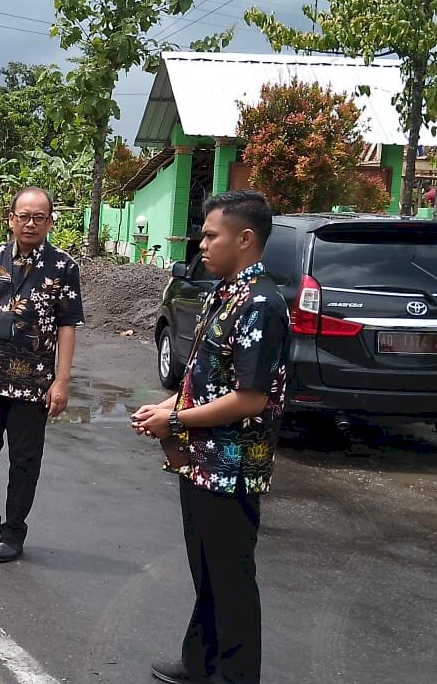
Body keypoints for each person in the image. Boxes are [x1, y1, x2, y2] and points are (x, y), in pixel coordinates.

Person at [130, 190, 290, 684]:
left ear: (245, 239)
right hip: (202, 461)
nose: (201, 244)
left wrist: (176, 422)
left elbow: (249, 398)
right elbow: (207, 377)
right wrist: (169, 405)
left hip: (232, 467)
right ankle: (200, 660)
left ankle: (237, 674)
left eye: (210, 235)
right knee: (206, 569)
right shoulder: (224, 293)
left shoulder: (261, 304)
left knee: (231, 576)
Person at [0, 187, 82, 563]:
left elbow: (68, 325)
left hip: (34, 384)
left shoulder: (64, 267)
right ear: (11, 219)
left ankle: (13, 532)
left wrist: (62, 380)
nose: (30, 223)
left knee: (24, 460)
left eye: (39, 217)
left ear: (50, 222)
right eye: (24, 216)